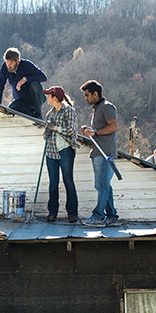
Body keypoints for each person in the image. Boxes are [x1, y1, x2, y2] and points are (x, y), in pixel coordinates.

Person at [79, 80, 120, 227]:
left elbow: (114, 126)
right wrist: (90, 130)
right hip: (98, 151)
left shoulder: (107, 107)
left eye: (87, 95)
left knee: (102, 185)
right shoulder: (98, 108)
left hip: (105, 153)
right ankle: (112, 216)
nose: (86, 98)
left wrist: (95, 131)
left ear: (96, 93)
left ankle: (98, 216)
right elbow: (99, 130)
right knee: (103, 185)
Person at [42, 86, 79, 223]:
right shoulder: (49, 114)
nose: (46, 98)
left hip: (65, 151)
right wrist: (47, 128)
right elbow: (46, 135)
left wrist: (57, 128)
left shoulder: (69, 111)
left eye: (48, 95)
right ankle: (52, 213)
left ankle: (72, 213)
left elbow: (72, 131)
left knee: (68, 181)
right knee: (53, 183)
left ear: (55, 97)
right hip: (51, 152)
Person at [0, 47, 47, 119]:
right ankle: (31, 116)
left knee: (35, 84)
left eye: (11, 63)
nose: (8, 66)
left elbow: (43, 77)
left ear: (17, 61)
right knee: (11, 109)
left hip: (35, 99)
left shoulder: (27, 65)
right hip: (21, 101)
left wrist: (25, 79)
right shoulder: (5, 68)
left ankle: (38, 115)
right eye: (7, 63)